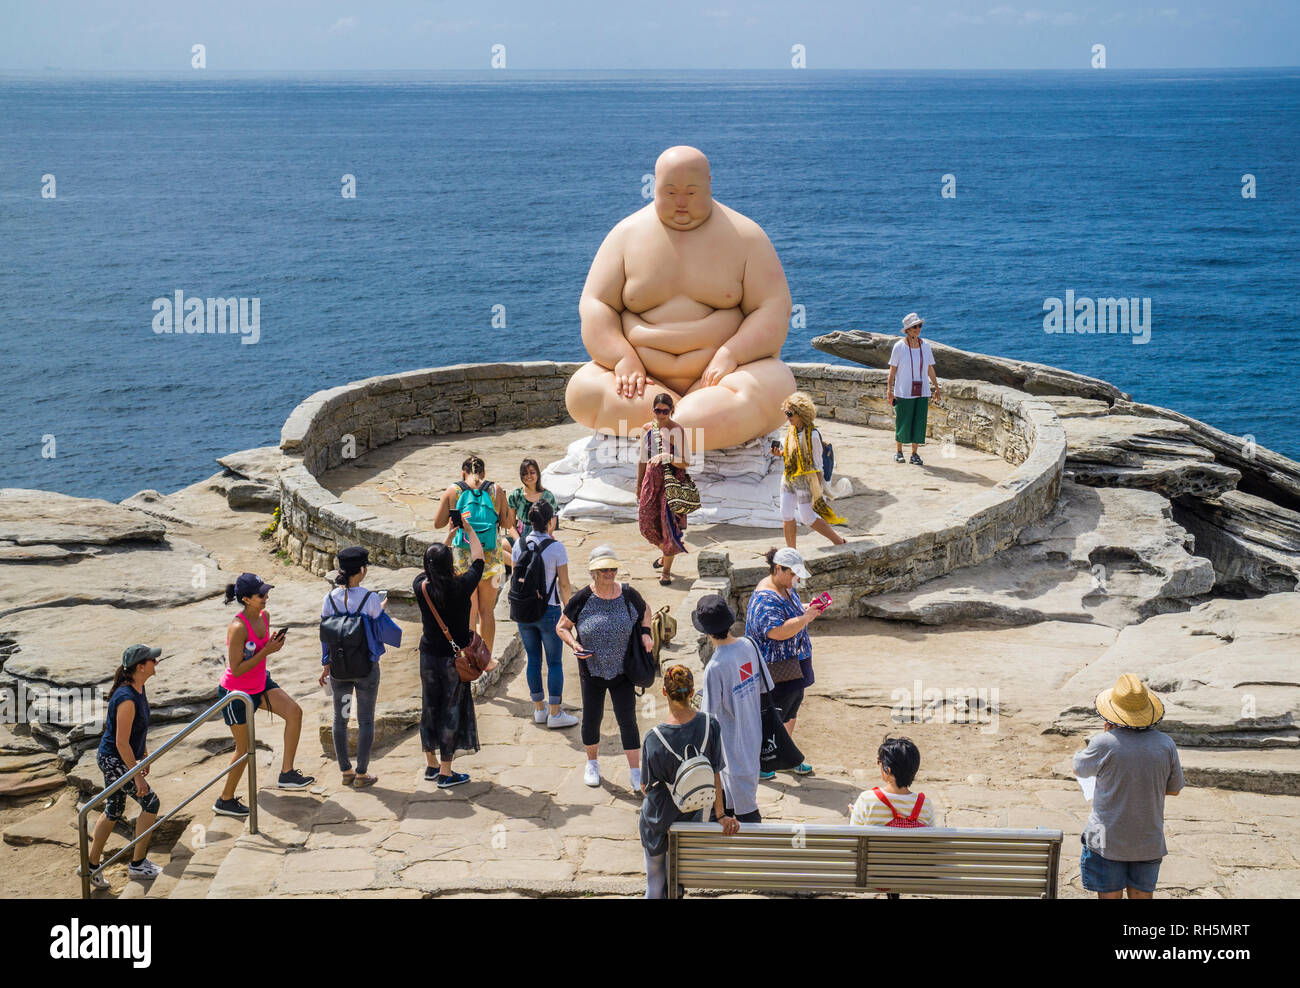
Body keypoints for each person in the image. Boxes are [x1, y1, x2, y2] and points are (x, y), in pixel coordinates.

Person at [565, 144, 797, 452]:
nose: (681, 203)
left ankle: (672, 428)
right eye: (670, 193)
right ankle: (679, 428)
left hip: (726, 383)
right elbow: (596, 304)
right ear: (654, 187)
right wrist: (622, 357)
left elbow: (773, 308)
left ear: (709, 185)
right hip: (642, 386)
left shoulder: (747, 237)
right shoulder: (624, 236)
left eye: (691, 193)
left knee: (777, 386)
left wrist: (732, 354)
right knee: (583, 392)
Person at [1074, 674, 1185, 900]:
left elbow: (1079, 769)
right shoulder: (1166, 744)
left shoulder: (1104, 743)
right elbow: (1174, 789)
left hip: (1104, 837)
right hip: (1148, 838)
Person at [213, 573, 314, 818]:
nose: (266, 597)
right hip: (235, 693)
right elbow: (236, 668)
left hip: (260, 683)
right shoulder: (237, 628)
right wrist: (267, 650)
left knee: (294, 712)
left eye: (266, 592)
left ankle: (287, 773)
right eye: (261, 594)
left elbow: (259, 653)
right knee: (245, 748)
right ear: (246, 599)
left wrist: (272, 646)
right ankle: (224, 800)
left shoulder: (264, 616)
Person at [556, 545, 653, 789]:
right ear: (593, 573)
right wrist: (575, 645)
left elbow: (646, 611)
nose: (609, 573)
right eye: (603, 570)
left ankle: (634, 770)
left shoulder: (629, 595)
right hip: (592, 670)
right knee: (591, 718)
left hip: (623, 670)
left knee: (627, 720)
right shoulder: (583, 599)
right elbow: (562, 627)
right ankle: (592, 764)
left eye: (612, 568)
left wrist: (645, 633)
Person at [639, 665, 737, 899]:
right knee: (677, 880)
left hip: (657, 817)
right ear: (692, 692)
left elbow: (645, 787)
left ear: (664, 692)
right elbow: (716, 774)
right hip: (689, 817)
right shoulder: (709, 726)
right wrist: (721, 814)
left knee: (654, 882)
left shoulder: (654, 738)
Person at [78, 644, 165, 888]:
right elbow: (121, 742)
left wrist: (144, 753)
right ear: (140, 666)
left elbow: (141, 726)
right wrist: (136, 775)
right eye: (152, 660)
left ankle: (91, 865)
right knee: (150, 802)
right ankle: (138, 865)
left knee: (114, 809)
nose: (156, 663)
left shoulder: (139, 687)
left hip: (119, 757)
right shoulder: (126, 698)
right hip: (114, 759)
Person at [413, 517, 490, 788]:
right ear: (450, 563)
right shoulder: (462, 586)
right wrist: (468, 531)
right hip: (452, 661)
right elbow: (479, 560)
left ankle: (431, 765)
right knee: (451, 710)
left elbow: (428, 566)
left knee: (430, 707)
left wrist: (447, 538)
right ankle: (446, 772)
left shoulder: (421, 587)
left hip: (428, 656)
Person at [319, 546, 402, 788]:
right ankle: (362, 773)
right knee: (365, 720)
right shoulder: (371, 599)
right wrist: (382, 610)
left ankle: (345, 770)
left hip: (339, 671)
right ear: (362, 570)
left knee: (341, 719)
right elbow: (384, 631)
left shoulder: (329, 599)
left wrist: (326, 664)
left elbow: (325, 636)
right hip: (366, 670)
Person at [745, 547, 826, 780]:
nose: (795, 579)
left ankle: (786, 757)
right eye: (792, 574)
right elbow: (777, 632)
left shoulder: (785, 588)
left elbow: (788, 616)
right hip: (776, 668)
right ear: (777, 569)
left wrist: (804, 610)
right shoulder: (765, 598)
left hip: (794, 663)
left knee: (791, 709)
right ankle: (763, 761)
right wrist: (805, 618)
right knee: (774, 714)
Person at [696, 595, 772, 825]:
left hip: (731, 749)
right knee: (724, 807)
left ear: (707, 633)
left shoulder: (715, 667)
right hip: (753, 735)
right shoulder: (749, 645)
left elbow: (707, 716)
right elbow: (763, 686)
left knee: (747, 813)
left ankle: (760, 854)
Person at [510, 500, 578, 728]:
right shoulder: (557, 548)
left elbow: (515, 578)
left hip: (524, 611)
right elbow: (564, 586)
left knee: (533, 660)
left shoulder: (519, 544)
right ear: (551, 521)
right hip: (549, 611)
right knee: (555, 663)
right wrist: (570, 616)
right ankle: (556, 713)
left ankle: (539, 709)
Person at [433, 455, 508, 655]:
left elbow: (438, 523)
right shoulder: (495, 490)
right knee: (487, 611)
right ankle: (487, 658)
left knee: (469, 610)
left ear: (463, 473)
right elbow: (507, 524)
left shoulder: (454, 490)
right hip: (490, 557)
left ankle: (470, 657)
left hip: (463, 557)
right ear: (484, 473)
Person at [849, 736, 938, 899]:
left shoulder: (867, 799)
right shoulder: (925, 804)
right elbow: (931, 845)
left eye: (879, 762)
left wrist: (856, 814)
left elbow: (853, 844)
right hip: (912, 876)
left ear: (888, 770)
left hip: (876, 875)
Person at [773, 391, 847, 548]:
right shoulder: (792, 431)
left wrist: (817, 487)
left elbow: (817, 463)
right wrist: (779, 453)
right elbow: (790, 453)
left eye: (789, 413)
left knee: (807, 518)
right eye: (785, 412)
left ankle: (838, 541)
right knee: (786, 514)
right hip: (789, 476)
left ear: (801, 414)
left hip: (806, 480)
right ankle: (791, 551)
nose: (787, 417)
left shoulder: (812, 435)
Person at [636, 392, 691, 585]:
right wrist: (638, 487)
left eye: (665, 411)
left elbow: (685, 462)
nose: (660, 415)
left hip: (671, 485)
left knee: (668, 527)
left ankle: (666, 570)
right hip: (652, 483)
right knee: (646, 525)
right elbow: (642, 460)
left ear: (672, 411)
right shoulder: (647, 429)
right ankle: (668, 550)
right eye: (657, 410)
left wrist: (668, 457)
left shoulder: (678, 431)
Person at [887, 312, 942, 465]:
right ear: (908, 330)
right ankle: (898, 452)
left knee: (919, 422)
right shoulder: (899, 347)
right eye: (915, 327)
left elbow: (930, 368)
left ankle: (914, 454)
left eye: (919, 326)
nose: (918, 329)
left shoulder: (926, 346)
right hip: (903, 391)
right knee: (903, 422)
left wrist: (936, 387)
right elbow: (892, 370)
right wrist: (889, 390)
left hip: (922, 391)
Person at [506, 457, 560, 540]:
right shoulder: (515, 496)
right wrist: (519, 542)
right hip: (520, 539)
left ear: (538, 474)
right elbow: (510, 525)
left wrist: (539, 541)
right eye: (525, 473)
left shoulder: (548, 497)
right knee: (500, 546)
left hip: (543, 539)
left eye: (532, 472)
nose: (529, 476)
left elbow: (552, 524)